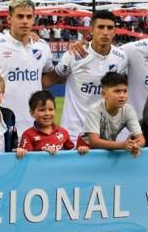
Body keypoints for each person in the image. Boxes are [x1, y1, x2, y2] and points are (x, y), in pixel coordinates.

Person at [0, 0, 53, 130]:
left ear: (34, 19)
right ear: (9, 18)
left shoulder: (42, 47)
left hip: (34, 127)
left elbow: (48, 75)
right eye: (20, 16)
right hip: (3, 126)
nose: (25, 21)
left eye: (29, 17)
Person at [49, 10, 128, 143]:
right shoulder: (75, 53)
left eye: (110, 28)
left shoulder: (122, 58)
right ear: (91, 30)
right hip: (74, 134)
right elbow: (52, 78)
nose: (105, 32)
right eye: (101, 27)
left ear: (114, 31)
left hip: (103, 134)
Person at [82, 72, 145, 157]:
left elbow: (141, 139)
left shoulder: (128, 110)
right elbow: (94, 142)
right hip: (86, 151)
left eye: (125, 91)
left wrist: (134, 146)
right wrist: (122, 145)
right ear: (104, 94)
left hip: (108, 152)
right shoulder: (94, 110)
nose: (122, 95)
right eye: (117, 91)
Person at [18, 90, 86, 155]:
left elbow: (72, 154)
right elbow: (27, 160)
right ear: (32, 113)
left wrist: (80, 149)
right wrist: (43, 155)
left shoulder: (63, 132)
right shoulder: (27, 135)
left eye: (51, 109)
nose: (47, 113)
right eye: (42, 110)